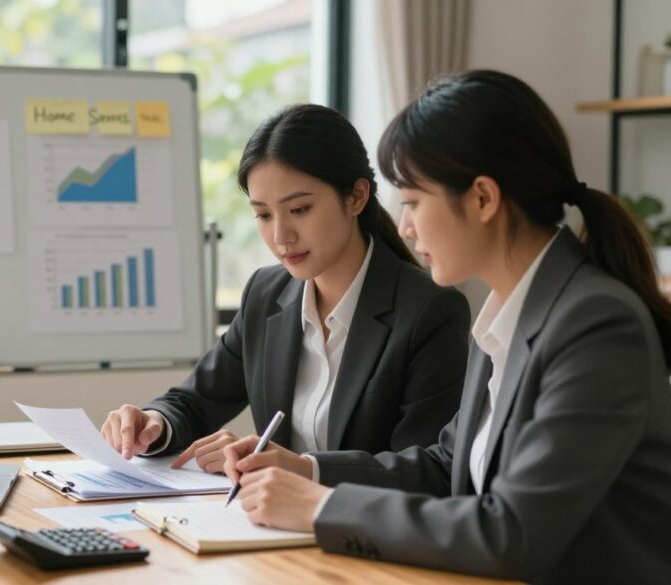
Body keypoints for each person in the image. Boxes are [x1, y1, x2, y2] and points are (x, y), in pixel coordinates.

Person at [221, 70, 671, 584]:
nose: (405, 226)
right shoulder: (509, 310)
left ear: (482, 198)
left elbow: (513, 532)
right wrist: (311, 470)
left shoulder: (596, 324)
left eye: (413, 201)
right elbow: (445, 466)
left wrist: (321, 508)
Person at [101, 104, 471, 474]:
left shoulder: (430, 310)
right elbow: (196, 402)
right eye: (263, 215)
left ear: (357, 196)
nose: (281, 237)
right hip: (271, 522)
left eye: (300, 209)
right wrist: (153, 423)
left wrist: (302, 469)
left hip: (361, 528)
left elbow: (425, 468)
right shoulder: (266, 293)